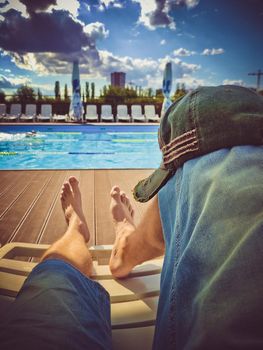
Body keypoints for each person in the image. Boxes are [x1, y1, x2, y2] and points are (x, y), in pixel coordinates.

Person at [1, 85, 263, 350]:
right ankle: (120, 236)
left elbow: (148, 243)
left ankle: (78, 232)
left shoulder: (195, 175)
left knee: (56, 272)